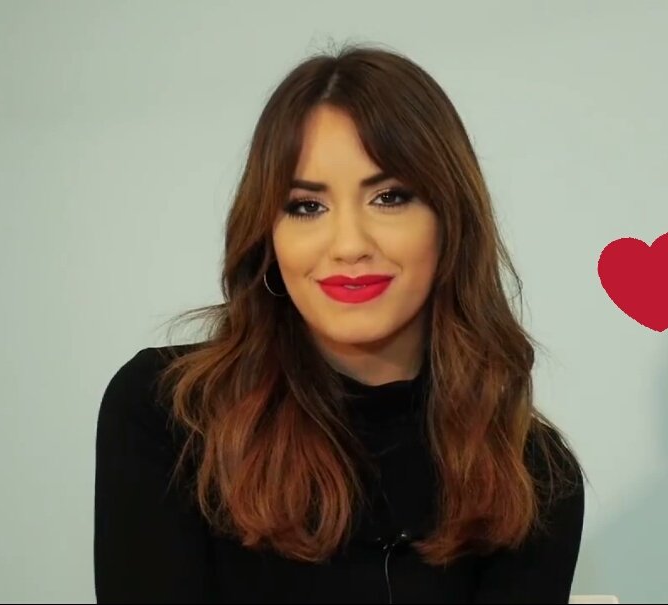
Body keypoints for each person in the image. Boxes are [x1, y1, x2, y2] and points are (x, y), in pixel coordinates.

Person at [94, 42, 586, 604]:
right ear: (269, 237)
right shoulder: (168, 412)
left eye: (390, 197)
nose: (349, 244)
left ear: (450, 223)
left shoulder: (533, 477)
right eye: (307, 206)